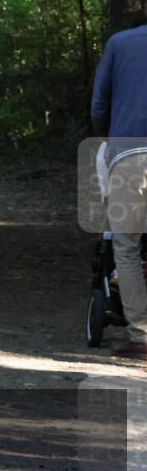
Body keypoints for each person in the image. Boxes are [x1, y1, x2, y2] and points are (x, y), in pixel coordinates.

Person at [91, 22, 147, 359]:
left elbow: (99, 105)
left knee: (125, 246)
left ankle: (141, 334)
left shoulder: (120, 42)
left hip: (129, 155)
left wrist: (107, 138)